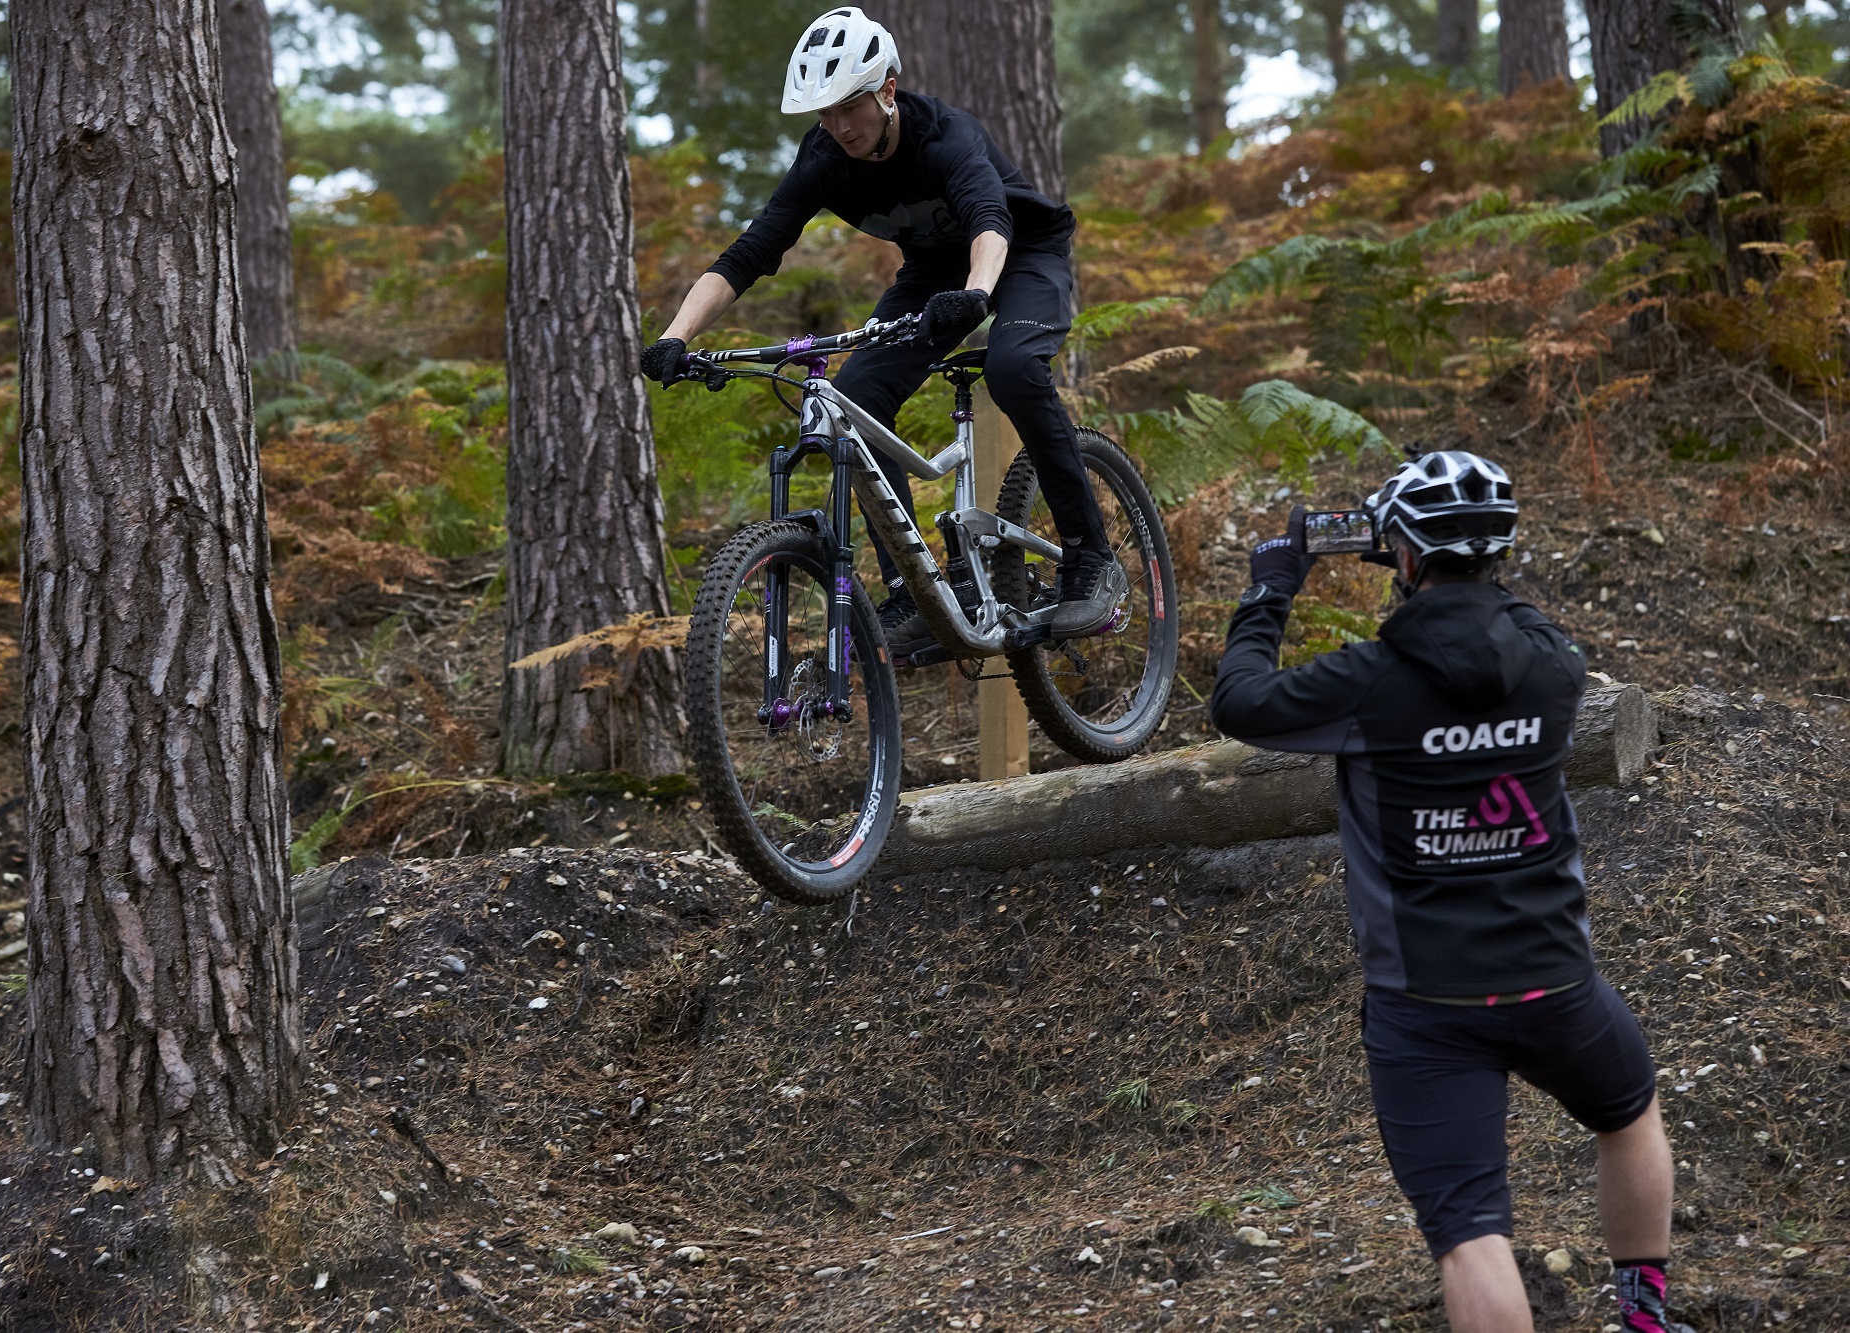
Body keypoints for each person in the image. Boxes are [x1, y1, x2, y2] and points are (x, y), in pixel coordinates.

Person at [1208, 452, 1687, 1333]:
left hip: (1425, 1002)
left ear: (1404, 554)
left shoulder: (1367, 684)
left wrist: (1272, 586)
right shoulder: (1555, 666)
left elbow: (1240, 702)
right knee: (1628, 1114)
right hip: (1557, 981)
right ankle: (1647, 1317)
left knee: (1471, 1233)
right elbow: (1518, 635)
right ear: (1500, 548)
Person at [639, 5, 1125, 654]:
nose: (840, 127)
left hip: (1021, 254)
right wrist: (677, 336)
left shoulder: (943, 137)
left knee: (1011, 368)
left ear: (887, 90)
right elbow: (747, 255)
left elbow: (990, 217)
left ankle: (1091, 559)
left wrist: (978, 293)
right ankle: (918, 595)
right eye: (825, 113)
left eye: (851, 107)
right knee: (856, 399)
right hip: (933, 274)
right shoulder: (823, 159)